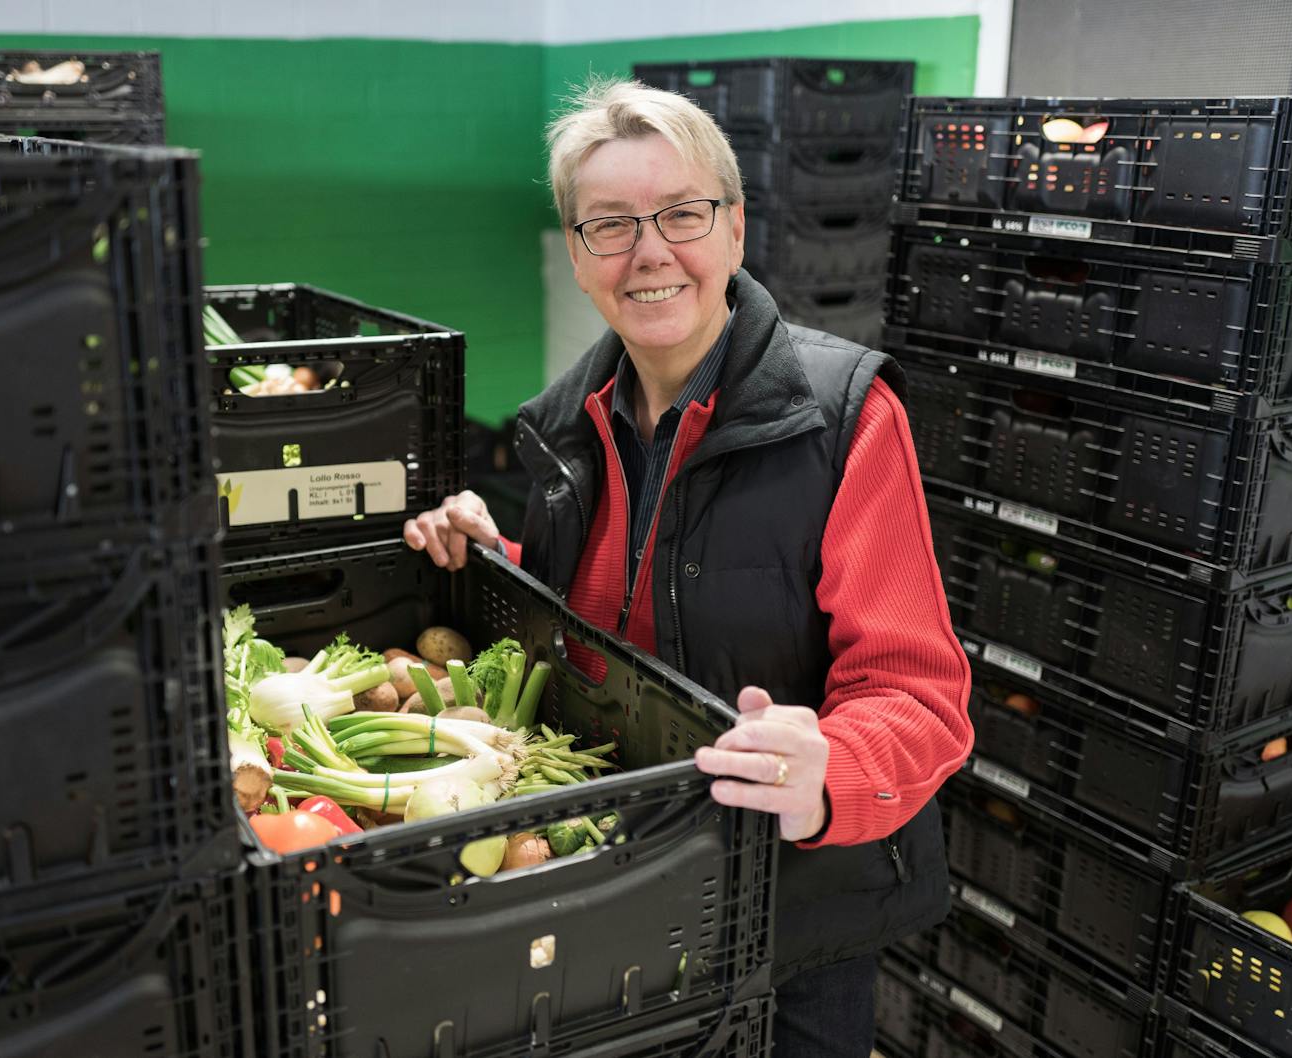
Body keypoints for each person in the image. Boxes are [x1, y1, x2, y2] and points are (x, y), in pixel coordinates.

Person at [402, 78, 972, 1058]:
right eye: (610, 225)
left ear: (734, 230)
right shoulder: (561, 426)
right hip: (629, 887)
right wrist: (501, 564)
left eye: (681, 213)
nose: (649, 250)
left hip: (792, 909)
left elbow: (919, 697)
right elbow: (605, 625)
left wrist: (831, 768)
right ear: (577, 257)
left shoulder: (841, 419)